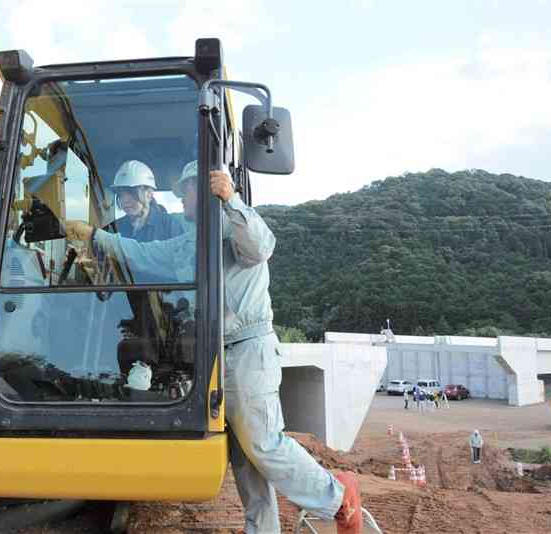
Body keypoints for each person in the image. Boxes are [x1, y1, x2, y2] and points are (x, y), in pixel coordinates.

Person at [65, 161, 362, 534]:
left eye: (186, 191)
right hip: (222, 350)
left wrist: (232, 200)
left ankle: (339, 498)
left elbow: (261, 246)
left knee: (263, 443)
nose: (181, 199)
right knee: (245, 460)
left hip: (248, 347)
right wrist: (97, 236)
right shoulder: (197, 237)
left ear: (204, 189)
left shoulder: (231, 224)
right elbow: (148, 255)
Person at [110, 160, 184, 242]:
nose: (125, 200)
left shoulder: (170, 226)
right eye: (120, 195)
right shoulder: (113, 229)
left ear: (149, 193)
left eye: (131, 193)